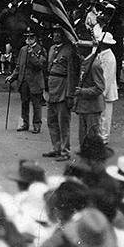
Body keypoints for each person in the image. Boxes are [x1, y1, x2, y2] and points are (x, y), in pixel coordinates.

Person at [45, 26, 78, 161]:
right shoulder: (52, 49)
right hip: (52, 88)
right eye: (54, 33)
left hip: (63, 88)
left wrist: (70, 94)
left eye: (59, 33)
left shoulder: (70, 50)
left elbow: (72, 73)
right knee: (52, 121)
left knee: (63, 122)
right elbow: (48, 70)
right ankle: (56, 148)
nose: (56, 35)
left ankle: (65, 151)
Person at [7, 28, 46, 133]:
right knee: (24, 103)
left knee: (36, 104)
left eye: (31, 37)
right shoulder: (23, 49)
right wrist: (12, 76)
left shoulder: (40, 49)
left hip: (35, 82)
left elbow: (39, 65)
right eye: (28, 37)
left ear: (35, 38)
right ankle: (25, 123)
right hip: (24, 81)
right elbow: (19, 66)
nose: (29, 39)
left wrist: (32, 54)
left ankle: (37, 124)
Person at [73, 42, 106, 148]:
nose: (78, 51)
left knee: (92, 136)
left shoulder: (94, 65)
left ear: (85, 50)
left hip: (93, 107)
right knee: (83, 137)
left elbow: (100, 88)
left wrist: (83, 91)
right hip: (84, 106)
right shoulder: (85, 62)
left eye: (80, 48)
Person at [94, 32, 118, 142]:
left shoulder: (109, 58)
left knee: (105, 116)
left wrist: (101, 93)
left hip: (105, 91)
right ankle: (99, 135)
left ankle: (104, 137)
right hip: (100, 88)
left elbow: (107, 78)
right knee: (100, 115)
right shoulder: (101, 54)